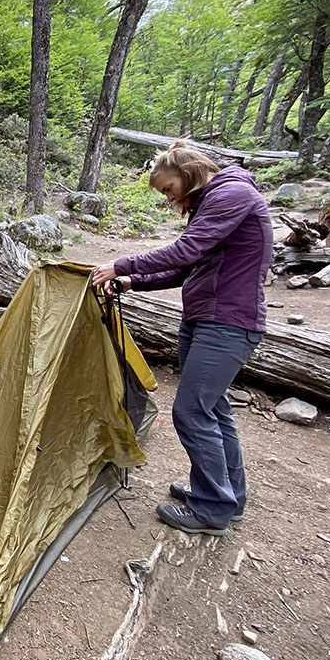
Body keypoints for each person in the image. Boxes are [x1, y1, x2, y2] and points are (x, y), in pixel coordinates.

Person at [90, 140, 272, 536]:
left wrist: (121, 263)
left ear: (187, 173)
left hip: (227, 322)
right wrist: (133, 280)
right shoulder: (212, 201)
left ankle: (212, 510)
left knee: (191, 412)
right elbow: (188, 268)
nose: (169, 198)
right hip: (205, 319)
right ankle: (227, 496)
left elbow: (186, 250)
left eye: (168, 188)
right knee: (213, 410)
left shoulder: (232, 194)